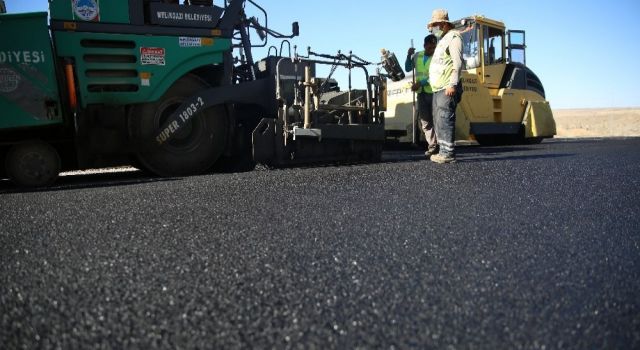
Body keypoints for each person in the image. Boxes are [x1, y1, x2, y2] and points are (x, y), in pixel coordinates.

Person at [427, 9, 464, 164]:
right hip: (438, 88)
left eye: (434, 25)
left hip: (447, 87)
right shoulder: (443, 39)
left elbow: (457, 63)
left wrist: (452, 84)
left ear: (443, 24)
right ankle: (443, 151)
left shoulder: (454, 38)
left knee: (445, 118)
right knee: (438, 120)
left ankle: (448, 153)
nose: (432, 28)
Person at [405, 35, 439, 157]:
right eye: (430, 47)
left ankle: (441, 146)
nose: (432, 49)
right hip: (421, 93)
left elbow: (437, 75)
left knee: (437, 119)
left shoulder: (438, 56)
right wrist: (408, 56)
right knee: (425, 121)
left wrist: (420, 83)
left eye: (434, 47)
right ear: (424, 46)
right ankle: (433, 147)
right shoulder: (417, 55)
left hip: (434, 92)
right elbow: (408, 68)